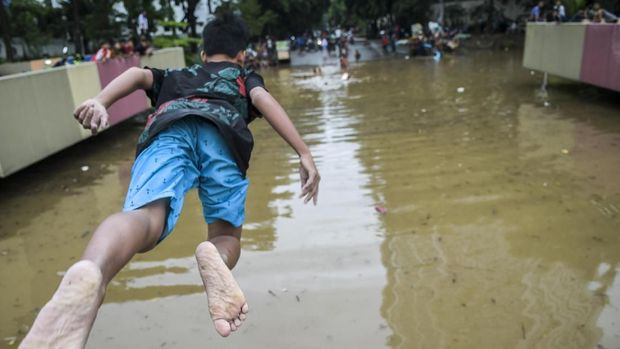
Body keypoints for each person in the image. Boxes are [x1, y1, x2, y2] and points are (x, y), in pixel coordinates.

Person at [18, 13, 320, 348]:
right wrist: (303, 152)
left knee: (145, 219)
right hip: (224, 135)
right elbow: (262, 99)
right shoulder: (244, 76)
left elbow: (136, 74)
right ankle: (214, 257)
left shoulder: (179, 74)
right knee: (224, 233)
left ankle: (92, 268)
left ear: (203, 55)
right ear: (242, 56)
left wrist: (101, 100)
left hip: (168, 128)